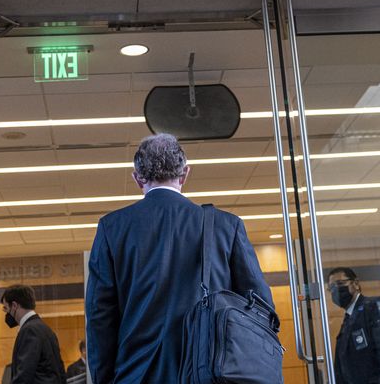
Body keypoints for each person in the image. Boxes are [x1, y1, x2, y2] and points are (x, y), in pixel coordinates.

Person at [85, 133, 273, 383]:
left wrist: (105, 378)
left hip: (136, 374)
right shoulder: (226, 226)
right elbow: (261, 307)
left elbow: (99, 317)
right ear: (185, 174)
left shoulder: (112, 228)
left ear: (137, 178)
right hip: (209, 373)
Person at [327, 267, 380, 384]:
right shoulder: (347, 319)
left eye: (340, 283)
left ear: (356, 284)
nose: (336, 289)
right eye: (332, 287)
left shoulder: (373, 306)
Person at [1, 284, 67, 384]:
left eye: (6, 308)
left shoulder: (29, 330)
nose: (6, 314)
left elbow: (24, 375)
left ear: (14, 306)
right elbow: (60, 372)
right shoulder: (46, 329)